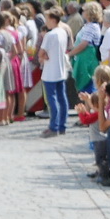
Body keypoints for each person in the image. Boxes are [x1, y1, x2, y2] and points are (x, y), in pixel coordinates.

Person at [38, 9, 72, 137]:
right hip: (61, 69)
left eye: (47, 19)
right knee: (62, 98)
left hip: (50, 71)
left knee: (52, 99)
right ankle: (62, 125)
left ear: (53, 20)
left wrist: (43, 56)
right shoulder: (63, 32)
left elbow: (41, 53)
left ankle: (54, 126)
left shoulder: (50, 35)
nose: (46, 22)